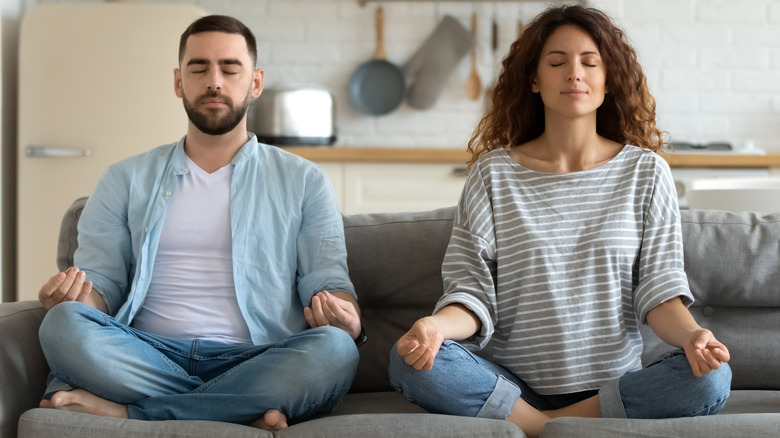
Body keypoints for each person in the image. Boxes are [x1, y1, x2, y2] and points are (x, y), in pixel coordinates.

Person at [388, 5, 731, 438]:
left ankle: (541, 429)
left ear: (609, 80)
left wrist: (695, 336)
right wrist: (435, 327)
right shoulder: (494, 173)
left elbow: (660, 293)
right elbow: (471, 293)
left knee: (712, 377)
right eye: (557, 62)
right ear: (534, 79)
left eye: (590, 62)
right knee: (409, 359)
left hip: (613, 386)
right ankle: (559, 427)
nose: (574, 73)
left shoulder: (646, 172)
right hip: (511, 385)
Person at [36, 15, 364, 431]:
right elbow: (102, 285)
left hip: (258, 355)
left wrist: (347, 318)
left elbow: (327, 280)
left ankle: (131, 413)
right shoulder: (124, 178)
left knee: (335, 350)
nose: (215, 81)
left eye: (230, 68)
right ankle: (240, 408)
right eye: (199, 68)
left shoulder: (304, 180)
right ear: (178, 82)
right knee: (62, 325)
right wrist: (74, 300)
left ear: (255, 82)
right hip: (147, 352)